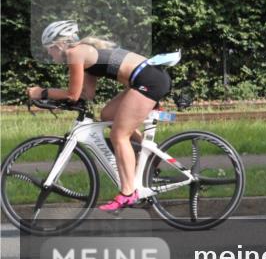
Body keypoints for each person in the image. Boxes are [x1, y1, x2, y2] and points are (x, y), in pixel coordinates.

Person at [26, 20, 172, 212]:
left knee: (119, 135)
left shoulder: (74, 53)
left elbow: (72, 94)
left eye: (49, 49)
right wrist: (57, 101)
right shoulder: (84, 53)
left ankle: (128, 193)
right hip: (146, 79)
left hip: (149, 81)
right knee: (107, 115)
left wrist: (42, 92)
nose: (48, 53)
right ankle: (149, 154)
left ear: (60, 44)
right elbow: (87, 94)